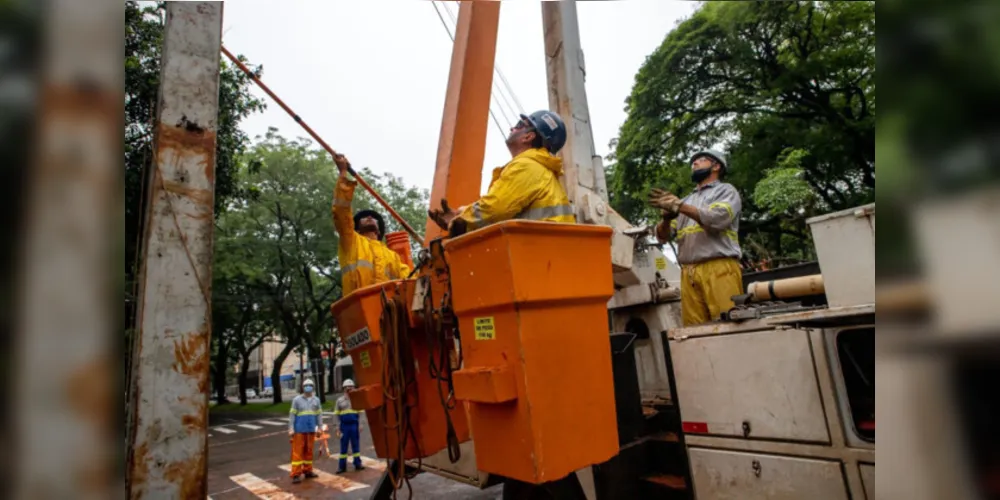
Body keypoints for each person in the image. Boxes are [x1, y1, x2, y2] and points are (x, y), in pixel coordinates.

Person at [428, 110, 575, 236]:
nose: (512, 128)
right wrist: (460, 214)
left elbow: (496, 208)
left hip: (539, 254)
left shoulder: (527, 166)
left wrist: (460, 223)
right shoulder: (538, 169)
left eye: (519, 125)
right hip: (546, 252)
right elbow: (500, 204)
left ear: (528, 137)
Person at [648, 149, 743, 326]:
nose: (694, 163)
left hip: (720, 268)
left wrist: (679, 206)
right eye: (693, 161)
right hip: (688, 273)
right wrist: (666, 219)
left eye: (700, 160)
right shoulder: (686, 200)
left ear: (716, 166)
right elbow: (662, 237)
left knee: (729, 324)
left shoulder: (726, 191)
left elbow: (717, 219)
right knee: (695, 331)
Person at [331, 154, 412, 295]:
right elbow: (341, 212)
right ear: (356, 227)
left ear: (379, 231)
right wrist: (343, 173)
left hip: (389, 313)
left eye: (374, 217)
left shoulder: (392, 257)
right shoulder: (351, 241)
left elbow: (411, 280)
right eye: (364, 217)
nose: (369, 217)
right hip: (359, 309)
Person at [288, 379, 323, 483]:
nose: (308, 387)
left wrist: (320, 428)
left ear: (313, 387)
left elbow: (319, 415)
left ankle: (307, 471)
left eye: (310, 385)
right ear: (303, 387)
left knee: (309, 451)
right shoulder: (297, 400)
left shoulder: (316, 400)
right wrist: (291, 428)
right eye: (306, 385)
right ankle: (296, 474)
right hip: (299, 430)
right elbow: (292, 415)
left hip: (311, 429)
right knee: (297, 452)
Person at [333, 378, 365, 474]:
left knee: (356, 446)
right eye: (347, 387)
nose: (349, 389)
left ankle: (357, 464)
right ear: (344, 388)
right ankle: (342, 467)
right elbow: (336, 415)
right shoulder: (339, 401)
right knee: (343, 447)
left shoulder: (357, 399)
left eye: (351, 387)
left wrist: (361, 424)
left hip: (354, 426)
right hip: (344, 427)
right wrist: (337, 427)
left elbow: (361, 413)